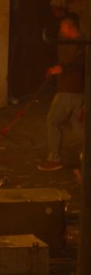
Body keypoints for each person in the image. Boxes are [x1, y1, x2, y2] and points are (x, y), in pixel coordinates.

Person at [38, 13, 85, 171]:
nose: (60, 31)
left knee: (53, 120)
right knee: (77, 126)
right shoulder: (72, 43)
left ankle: (54, 158)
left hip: (69, 91)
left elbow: (79, 63)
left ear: (69, 27)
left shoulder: (81, 44)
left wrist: (62, 68)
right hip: (72, 90)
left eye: (62, 28)